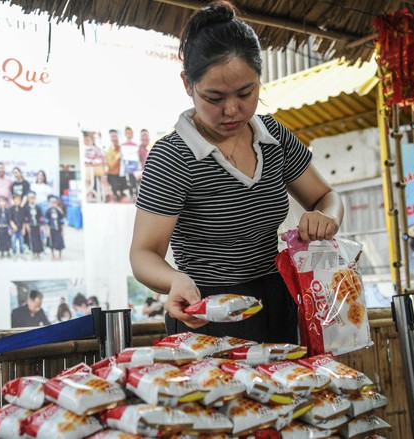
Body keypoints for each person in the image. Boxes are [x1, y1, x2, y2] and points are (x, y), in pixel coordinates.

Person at [130, 1, 344, 344]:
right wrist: (174, 280)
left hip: (277, 298)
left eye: (246, 93)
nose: (232, 109)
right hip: (206, 308)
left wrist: (326, 216)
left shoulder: (275, 137)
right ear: (188, 84)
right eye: (214, 97)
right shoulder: (173, 157)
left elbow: (326, 196)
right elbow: (143, 254)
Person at [106, 129, 126, 202]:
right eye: (113, 136)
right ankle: (115, 194)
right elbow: (111, 165)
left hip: (121, 172)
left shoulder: (121, 147)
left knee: (126, 180)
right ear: (110, 138)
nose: (114, 138)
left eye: (115, 136)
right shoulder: (109, 150)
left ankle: (121, 191)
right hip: (112, 174)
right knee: (114, 183)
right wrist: (118, 157)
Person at [121, 126, 140, 199]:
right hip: (126, 165)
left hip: (134, 165)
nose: (129, 134)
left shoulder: (135, 144)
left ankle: (135, 193)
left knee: (134, 180)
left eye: (130, 133)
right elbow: (122, 156)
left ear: (132, 134)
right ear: (125, 134)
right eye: (127, 133)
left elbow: (137, 155)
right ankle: (131, 193)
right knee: (128, 180)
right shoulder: (122, 145)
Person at [25, 192, 44, 259]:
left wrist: (41, 225)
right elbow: (26, 218)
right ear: (28, 199)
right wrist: (27, 225)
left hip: (37, 225)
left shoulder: (38, 207)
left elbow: (41, 217)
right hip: (31, 225)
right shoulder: (27, 208)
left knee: (38, 239)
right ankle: (33, 253)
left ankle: (38, 253)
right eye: (30, 198)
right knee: (32, 239)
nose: (32, 200)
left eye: (33, 198)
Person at [45, 195, 65, 260]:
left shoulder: (59, 211)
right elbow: (46, 223)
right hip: (51, 229)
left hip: (58, 229)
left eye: (54, 202)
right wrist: (47, 230)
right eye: (51, 202)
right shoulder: (48, 211)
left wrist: (63, 230)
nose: (53, 204)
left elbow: (62, 221)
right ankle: (53, 255)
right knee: (51, 243)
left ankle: (60, 255)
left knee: (60, 243)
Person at [10, 193, 27, 257]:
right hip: (13, 228)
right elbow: (10, 219)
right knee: (13, 240)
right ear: (13, 200)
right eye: (16, 200)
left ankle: (22, 252)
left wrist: (23, 228)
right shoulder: (11, 209)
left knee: (21, 241)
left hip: (20, 227)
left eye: (19, 200)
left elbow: (24, 220)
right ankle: (14, 253)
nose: (18, 201)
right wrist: (13, 226)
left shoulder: (22, 209)